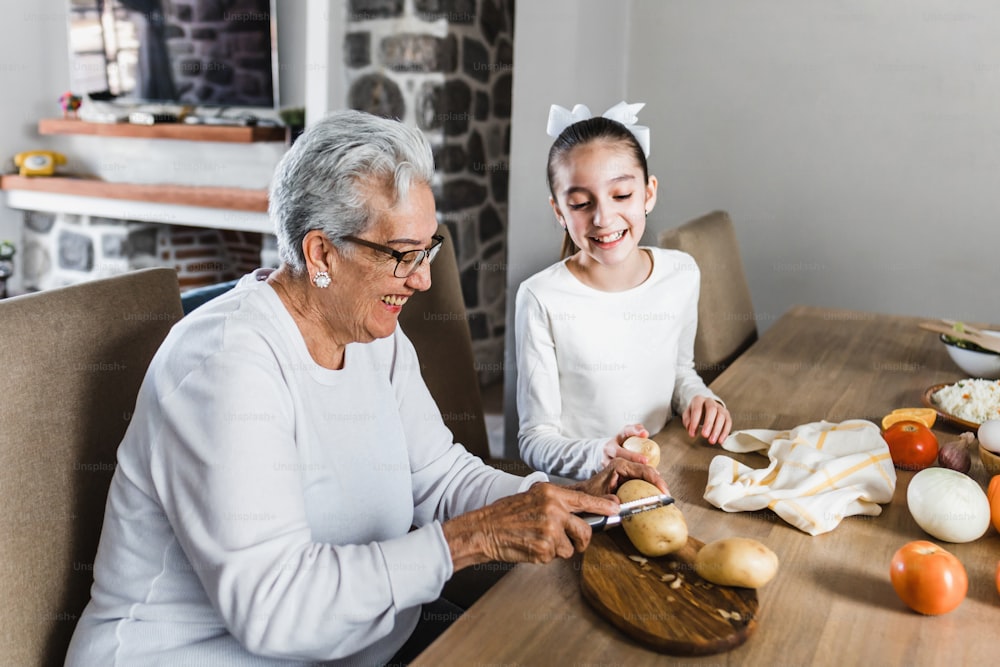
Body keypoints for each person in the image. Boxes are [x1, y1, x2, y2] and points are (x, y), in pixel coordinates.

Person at [65, 110, 666, 666]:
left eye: (429, 248)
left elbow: (441, 477)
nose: (426, 279)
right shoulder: (227, 366)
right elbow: (274, 610)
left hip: (365, 649)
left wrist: (566, 495)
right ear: (321, 251)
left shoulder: (373, 337)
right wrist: (475, 539)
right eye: (403, 255)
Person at [515, 102, 732, 481]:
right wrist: (602, 454)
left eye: (621, 195)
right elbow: (534, 439)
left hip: (663, 473)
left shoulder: (681, 273)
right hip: (586, 491)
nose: (603, 218)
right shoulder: (540, 298)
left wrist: (700, 399)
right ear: (559, 212)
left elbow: (680, 371)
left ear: (648, 194)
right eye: (581, 204)